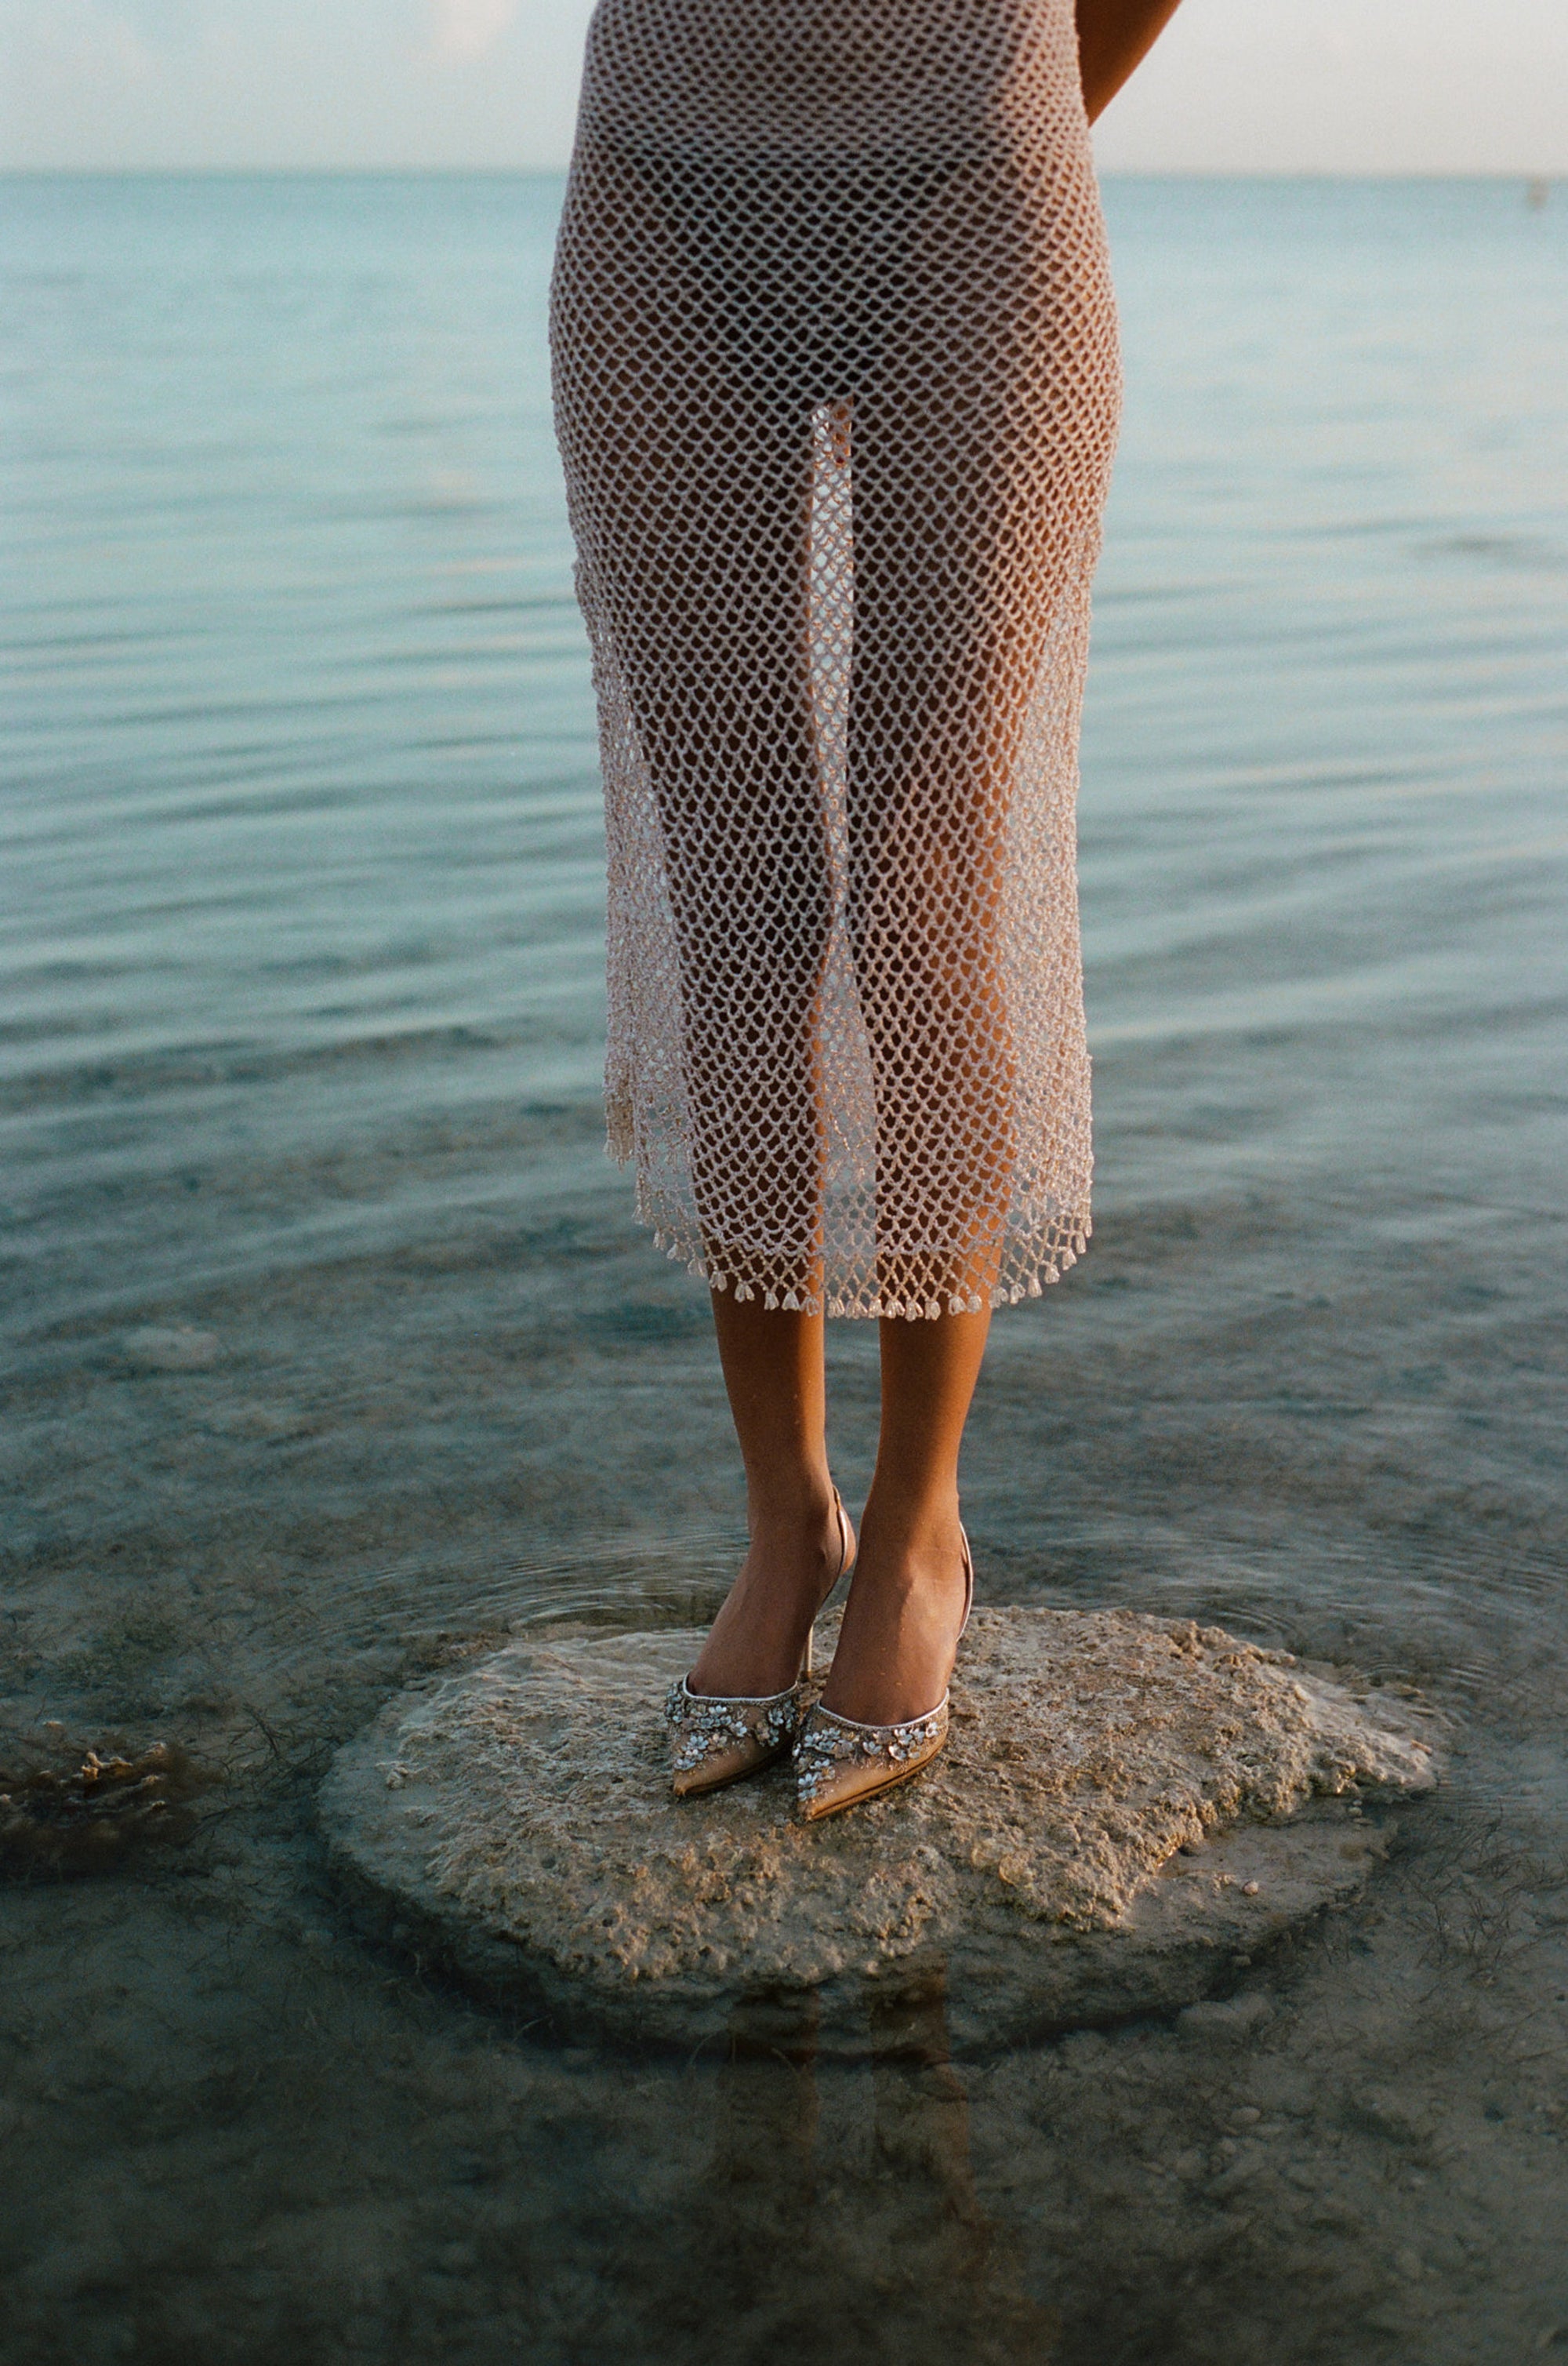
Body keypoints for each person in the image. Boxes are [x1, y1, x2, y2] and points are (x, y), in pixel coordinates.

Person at [550, 0, 1185, 1818]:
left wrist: (994, 93)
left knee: (925, 883)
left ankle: (918, 1536)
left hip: (975, 172)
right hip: (662, 184)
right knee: (734, 875)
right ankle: (785, 1524)